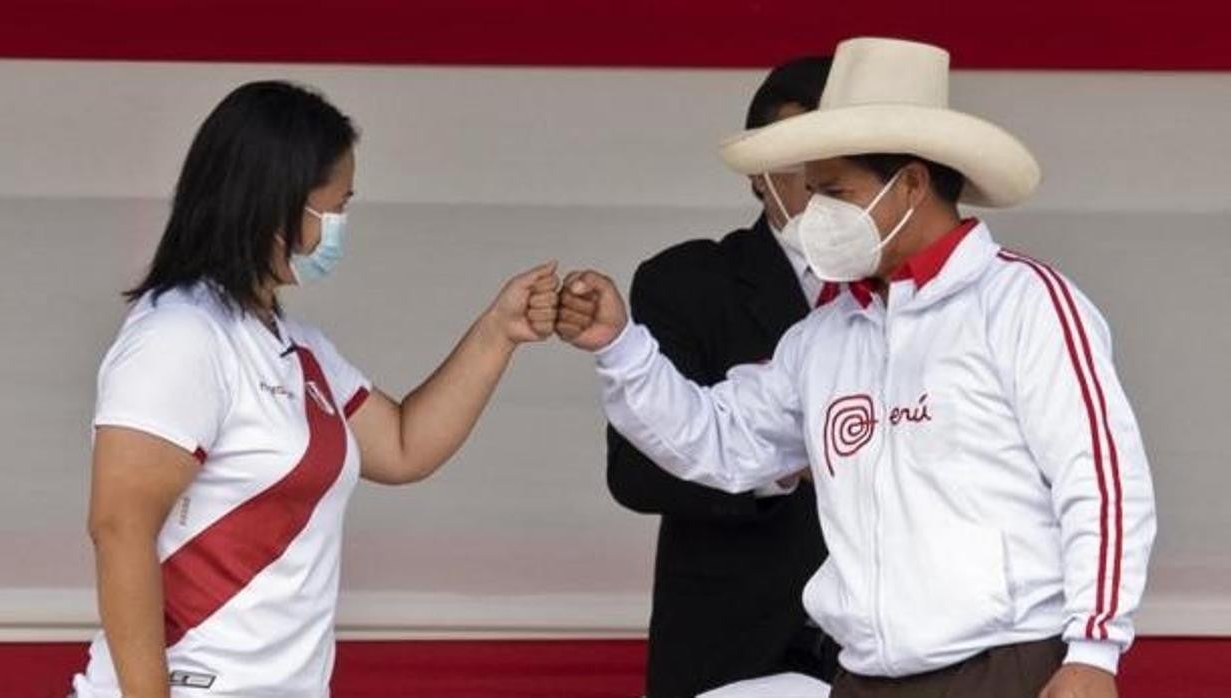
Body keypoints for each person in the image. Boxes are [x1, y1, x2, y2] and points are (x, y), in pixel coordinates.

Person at [556, 38, 1156, 698]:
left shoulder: (1022, 302)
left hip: (1003, 665)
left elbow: (1100, 477)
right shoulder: (827, 334)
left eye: (835, 192)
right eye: (810, 192)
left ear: (911, 184)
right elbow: (719, 441)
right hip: (864, 676)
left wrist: (1095, 650)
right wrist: (621, 347)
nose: (816, 213)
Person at [72, 81, 559, 697]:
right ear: (275, 202)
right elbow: (119, 528)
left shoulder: (297, 347)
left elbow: (405, 445)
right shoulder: (179, 337)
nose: (340, 226)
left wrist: (498, 332)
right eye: (336, 207)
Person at [605, 57, 839, 697]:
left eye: (841, 161)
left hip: (886, 648)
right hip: (735, 644)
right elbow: (635, 471)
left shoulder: (908, 293)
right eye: (802, 161)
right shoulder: (688, 282)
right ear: (759, 174)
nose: (823, 181)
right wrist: (778, 466)